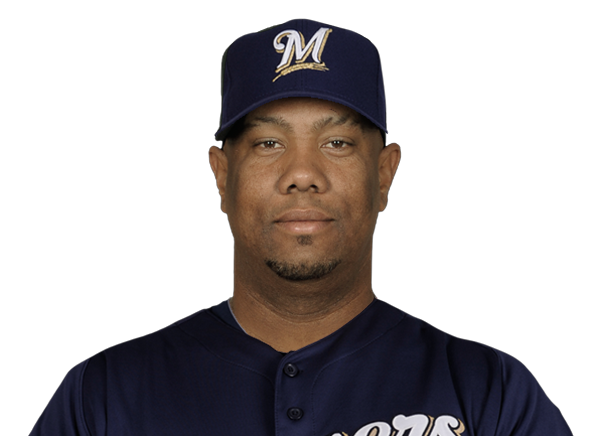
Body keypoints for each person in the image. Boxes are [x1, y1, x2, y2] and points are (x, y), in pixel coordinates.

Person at [31, 19, 571, 436]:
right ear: (222, 176)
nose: (303, 175)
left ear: (384, 175)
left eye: (337, 143)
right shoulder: (103, 398)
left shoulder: (488, 394)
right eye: (269, 143)